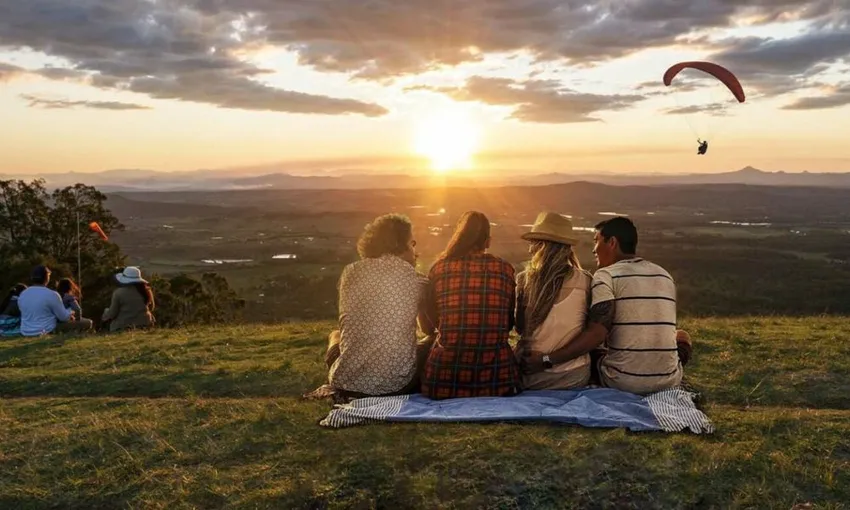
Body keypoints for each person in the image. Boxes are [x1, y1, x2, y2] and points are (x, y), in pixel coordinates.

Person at [521, 217, 692, 395]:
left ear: (612, 242)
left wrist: (546, 360)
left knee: (592, 350)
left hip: (622, 381)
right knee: (681, 335)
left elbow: (596, 334)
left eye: (596, 241)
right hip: (669, 381)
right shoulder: (664, 275)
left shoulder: (605, 275)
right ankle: (666, 369)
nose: (594, 250)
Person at [322, 214, 434, 401]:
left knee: (335, 334)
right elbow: (428, 328)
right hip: (396, 386)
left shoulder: (350, 272)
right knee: (434, 339)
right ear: (402, 244)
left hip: (345, 382)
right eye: (412, 243)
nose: (415, 251)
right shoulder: (416, 280)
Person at [421, 211, 521, 400]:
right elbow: (508, 323)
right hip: (498, 380)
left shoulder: (439, 269)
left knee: (427, 344)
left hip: (443, 382)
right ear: (488, 241)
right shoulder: (505, 269)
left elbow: (431, 324)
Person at [515, 212, 593, 390]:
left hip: (532, 377)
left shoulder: (523, 280)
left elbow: (520, 327)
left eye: (533, 243)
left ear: (541, 246)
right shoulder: (586, 281)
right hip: (575, 376)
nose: (529, 249)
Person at [17, 265, 93, 336]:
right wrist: (71, 312)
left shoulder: (23, 294)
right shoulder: (52, 294)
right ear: (46, 278)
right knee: (87, 322)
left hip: (25, 331)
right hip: (46, 329)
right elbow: (63, 317)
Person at [102, 266, 156, 332]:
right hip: (146, 324)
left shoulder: (119, 292)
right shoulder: (146, 291)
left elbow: (112, 313)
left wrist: (106, 313)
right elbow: (151, 307)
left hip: (124, 326)